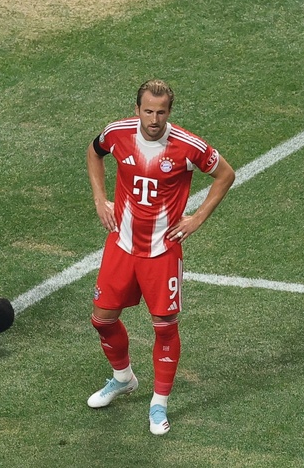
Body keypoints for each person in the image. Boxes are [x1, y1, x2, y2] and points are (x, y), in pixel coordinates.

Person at [85, 79, 235, 435]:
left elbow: (225, 174)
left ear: (170, 112)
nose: (154, 119)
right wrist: (98, 198)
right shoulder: (116, 133)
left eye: (161, 112)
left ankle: (159, 403)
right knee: (102, 320)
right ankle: (123, 378)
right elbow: (94, 153)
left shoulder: (187, 145)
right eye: (148, 111)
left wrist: (197, 217)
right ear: (137, 109)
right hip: (121, 245)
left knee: (164, 327)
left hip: (162, 251)